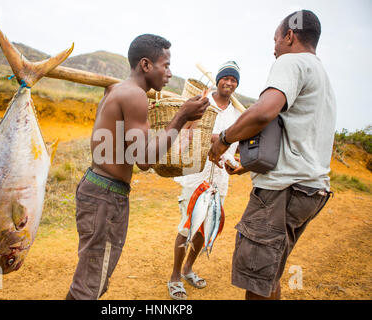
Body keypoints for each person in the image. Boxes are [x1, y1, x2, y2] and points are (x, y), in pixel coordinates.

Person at [66, 34, 210, 300]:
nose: (169, 72)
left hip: (98, 188)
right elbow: (144, 159)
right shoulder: (134, 96)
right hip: (106, 196)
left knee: (93, 276)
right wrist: (181, 117)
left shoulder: (119, 90)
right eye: (165, 65)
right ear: (145, 65)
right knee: (90, 283)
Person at [208, 10, 336, 300]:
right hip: (310, 191)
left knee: (257, 282)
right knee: (271, 274)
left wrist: (225, 140)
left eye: (276, 39)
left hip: (282, 193)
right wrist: (247, 166)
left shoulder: (291, 61)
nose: (274, 47)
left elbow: (264, 112)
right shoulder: (321, 74)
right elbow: (294, 137)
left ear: (290, 35)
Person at [168, 61, 242, 300]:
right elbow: (187, 132)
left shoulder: (238, 114)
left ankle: (189, 268)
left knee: (206, 226)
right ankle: (175, 276)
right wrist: (219, 139)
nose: (229, 83)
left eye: (234, 80)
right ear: (218, 80)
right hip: (196, 173)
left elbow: (234, 145)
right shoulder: (201, 102)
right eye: (226, 78)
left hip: (219, 178)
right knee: (187, 225)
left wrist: (230, 160)